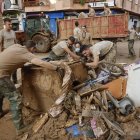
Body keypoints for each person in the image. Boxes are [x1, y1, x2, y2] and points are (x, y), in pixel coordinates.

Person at [0, 40, 59, 135]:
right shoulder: (26, 53)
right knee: (16, 99)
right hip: (1, 76)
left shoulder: (16, 46)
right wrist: (55, 68)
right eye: (33, 50)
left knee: (1, 93)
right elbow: (42, 63)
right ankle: (20, 128)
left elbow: (13, 59)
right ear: (32, 48)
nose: (33, 52)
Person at [0, 18, 17, 83]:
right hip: (6, 53)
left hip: (13, 53)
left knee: (15, 67)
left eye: (11, 24)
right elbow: (0, 43)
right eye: (9, 24)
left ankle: (15, 81)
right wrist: (1, 53)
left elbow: (15, 42)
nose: (10, 26)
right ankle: (8, 82)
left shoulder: (13, 32)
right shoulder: (2, 32)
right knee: (7, 69)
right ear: (5, 24)